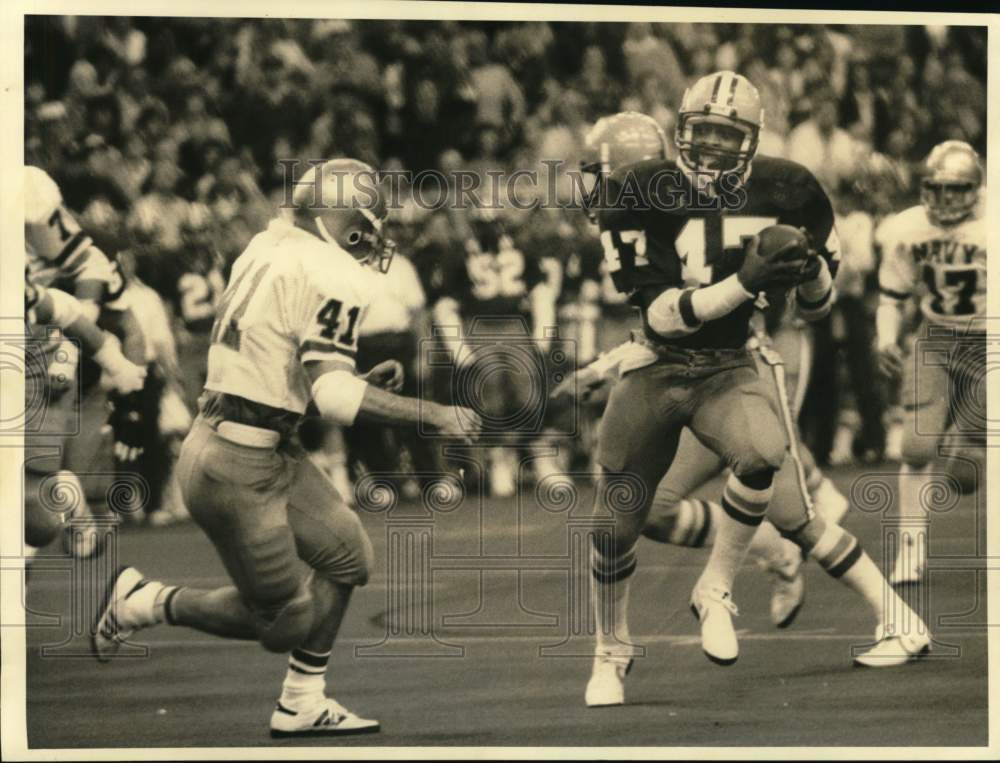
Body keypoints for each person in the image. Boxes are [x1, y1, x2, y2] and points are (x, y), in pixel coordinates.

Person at [92, 159, 481, 737]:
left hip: (257, 444)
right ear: (335, 220)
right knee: (284, 625)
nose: (369, 238)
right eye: (362, 224)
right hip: (236, 463)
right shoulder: (329, 270)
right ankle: (145, 601)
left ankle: (302, 700)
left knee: (348, 555)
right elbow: (333, 394)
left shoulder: (266, 245)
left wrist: (362, 382)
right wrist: (434, 412)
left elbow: (277, 370)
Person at [579, 76, 931, 707]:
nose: (711, 148)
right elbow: (659, 317)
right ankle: (612, 648)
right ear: (678, 133)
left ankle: (720, 584)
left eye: (726, 135)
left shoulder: (788, 186)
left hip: (733, 363)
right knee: (616, 524)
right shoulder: (636, 196)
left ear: (751, 139)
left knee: (770, 466)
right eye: (702, 132)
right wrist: (745, 283)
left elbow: (817, 309)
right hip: (661, 363)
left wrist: (813, 272)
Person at [874, 140, 986, 585]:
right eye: (935, 189)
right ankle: (910, 548)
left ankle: (966, 434)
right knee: (916, 448)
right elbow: (892, 295)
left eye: (955, 190)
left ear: (975, 190)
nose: (943, 200)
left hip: (987, 345)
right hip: (936, 338)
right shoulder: (907, 228)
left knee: (964, 476)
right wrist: (884, 337)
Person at [23, 279, 147, 554]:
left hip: (34, 378)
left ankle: (63, 495)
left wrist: (120, 371)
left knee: (37, 526)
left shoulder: (79, 264)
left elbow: (67, 310)